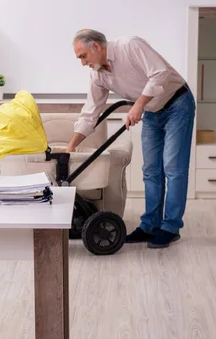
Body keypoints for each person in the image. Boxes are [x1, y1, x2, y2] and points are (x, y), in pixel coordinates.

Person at [67, 29, 196, 248]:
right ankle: (149, 226)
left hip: (177, 104)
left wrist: (138, 105)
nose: (82, 63)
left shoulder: (130, 46)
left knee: (173, 168)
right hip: (152, 111)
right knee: (151, 170)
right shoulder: (97, 75)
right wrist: (70, 147)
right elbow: (91, 112)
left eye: (83, 56)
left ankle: (170, 227)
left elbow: (160, 73)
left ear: (96, 46)